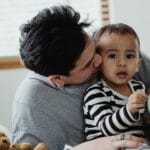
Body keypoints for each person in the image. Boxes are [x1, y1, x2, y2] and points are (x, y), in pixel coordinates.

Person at [11, 5, 147, 150]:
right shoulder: (31, 102)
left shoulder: (110, 45)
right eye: (89, 64)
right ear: (58, 79)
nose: (100, 60)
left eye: (94, 47)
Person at [83, 23, 148, 141]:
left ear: (138, 64)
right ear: (99, 62)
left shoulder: (139, 87)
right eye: (112, 56)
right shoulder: (96, 92)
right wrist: (129, 109)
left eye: (129, 56)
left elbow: (145, 120)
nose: (122, 62)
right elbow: (106, 128)